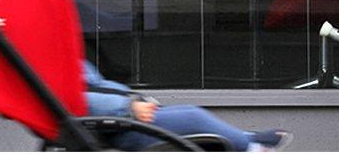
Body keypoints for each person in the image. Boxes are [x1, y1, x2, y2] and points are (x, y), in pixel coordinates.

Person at [82, 61, 292, 151]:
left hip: (117, 119)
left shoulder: (63, 64)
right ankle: (249, 146)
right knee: (192, 117)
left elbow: (100, 88)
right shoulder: (57, 70)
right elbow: (83, 99)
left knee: (187, 114)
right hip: (117, 127)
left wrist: (133, 100)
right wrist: (127, 107)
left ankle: (247, 138)